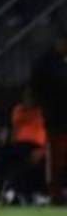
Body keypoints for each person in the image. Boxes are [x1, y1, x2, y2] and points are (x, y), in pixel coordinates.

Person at [0, 86, 48, 205]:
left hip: (36, 146)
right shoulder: (17, 110)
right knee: (2, 157)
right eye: (26, 96)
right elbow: (14, 130)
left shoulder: (43, 111)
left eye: (30, 96)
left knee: (26, 162)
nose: (27, 99)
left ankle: (19, 191)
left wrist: (43, 150)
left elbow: (50, 133)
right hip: (19, 145)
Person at [31, 33, 67, 205]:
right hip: (57, 120)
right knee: (56, 160)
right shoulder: (46, 64)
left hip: (60, 117)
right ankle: (56, 195)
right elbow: (39, 89)